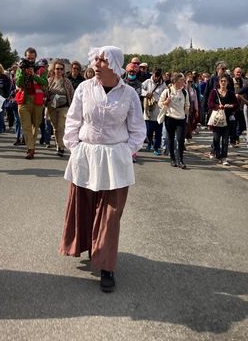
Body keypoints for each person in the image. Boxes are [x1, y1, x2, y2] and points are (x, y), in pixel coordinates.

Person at [60, 46, 145, 293]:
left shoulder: (129, 94)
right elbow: (73, 120)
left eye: (102, 60)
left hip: (114, 157)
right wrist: (75, 148)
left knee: (110, 213)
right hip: (86, 154)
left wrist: (123, 152)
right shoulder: (84, 88)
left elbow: (138, 129)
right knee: (84, 205)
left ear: (115, 64)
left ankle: (107, 266)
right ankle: (88, 247)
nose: (96, 64)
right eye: (95, 60)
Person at [15, 49, 47, 159]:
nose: (30, 60)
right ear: (25, 57)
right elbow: (18, 83)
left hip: (37, 101)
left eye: (32, 58)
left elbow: (44, 82)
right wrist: (23, 72)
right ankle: (30, 148)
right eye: (28, 58)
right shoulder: (20, 68)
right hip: (24, 100)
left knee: (36, 125)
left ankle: (31, 146)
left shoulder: (41, 69)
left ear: (35, 58)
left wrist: (33, 75)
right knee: (26, 126)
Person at [159, 73, 190, 169]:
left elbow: (187, 104)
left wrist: (185, 112)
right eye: (181, 80)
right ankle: (172, 159)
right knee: (170, 139)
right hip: (170, 118)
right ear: (175, 81)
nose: (183, 82)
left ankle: (180, 160)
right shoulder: (167, 91)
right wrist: (165, 103)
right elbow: (160, 103)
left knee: (180, 140)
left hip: (181, 119)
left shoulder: (185, 92)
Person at [208, 74, 238, 165]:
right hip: (217, 119)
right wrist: (217, 106)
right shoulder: (214, 92)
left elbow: (236, 104)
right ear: (219, 82)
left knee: (225, 140)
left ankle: (224, 157)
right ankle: (217, 154)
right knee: (216, 139)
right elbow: (210, 103)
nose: (223, 83)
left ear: (228, 82)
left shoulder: (231, 93)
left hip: (227, 119)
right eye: (222, 81)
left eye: (225, 81)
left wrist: (231, 106)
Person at [46, 59, 74, 157]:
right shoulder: (49, 81)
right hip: (52, 107)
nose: (59, 70)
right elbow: (46, 93)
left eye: (61, 69)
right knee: (55, 128)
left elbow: (71, 94)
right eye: (57, 68)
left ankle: (61, 147)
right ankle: (58, 145)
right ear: (54, 69)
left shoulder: (67, 82)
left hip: (64, 107)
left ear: (63, 70)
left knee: (61, 127)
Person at [141, 68, 167, 155]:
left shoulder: (163, 85)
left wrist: (161, 100)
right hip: (149, 110)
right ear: (152, 74)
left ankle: (156, 148)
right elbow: (139, 89)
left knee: (158, 132)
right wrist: (146, 93)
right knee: (149, 131)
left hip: (158, 111)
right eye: (154, 75)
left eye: (157, 76)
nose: (155, 78)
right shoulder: (147, 82)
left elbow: (166, 93)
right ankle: (149, 143)